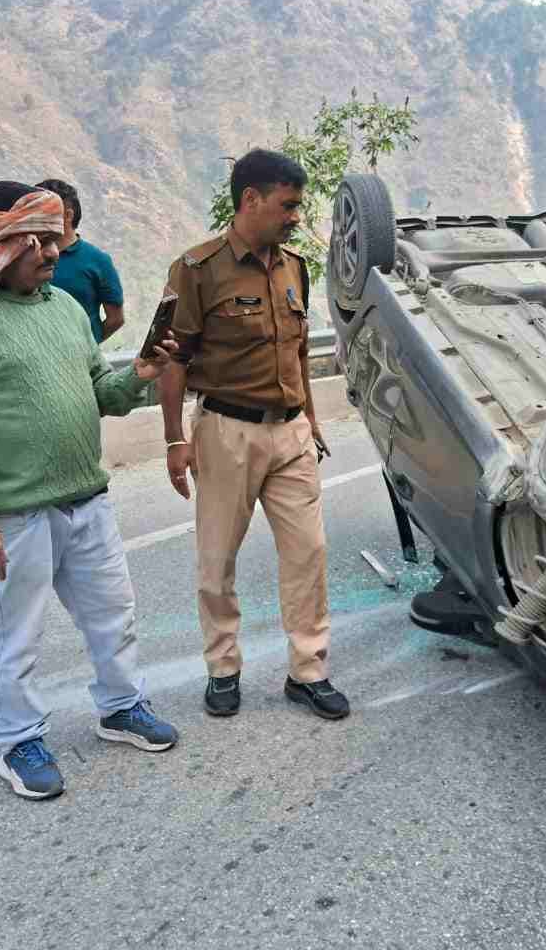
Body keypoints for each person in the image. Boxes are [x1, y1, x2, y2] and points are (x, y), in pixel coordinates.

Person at [0, 181, 179, 800]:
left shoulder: (65, 308)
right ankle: (18, 741)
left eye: (55, 237)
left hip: (85, 499)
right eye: (36, 239)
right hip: (14, 514)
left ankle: (121, 707)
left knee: (112, 614)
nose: (52, 251)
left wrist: (141, 374)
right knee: (16, 633)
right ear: (0, 244)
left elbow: (103, 393)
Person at [158, 149, 347, 722]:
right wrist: (174, 440)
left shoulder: (295, 266)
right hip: (225, 430)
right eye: (288, 206)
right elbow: (173, 359)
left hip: (289, 432)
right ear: (251, 200)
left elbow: (294, 350)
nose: (295, 216)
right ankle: (223, 668)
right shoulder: (196, 269)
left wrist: (310, 419)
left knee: (309, 553)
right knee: (217, 559)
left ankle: (308, 671)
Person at [33, 179, 124, 344]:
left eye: (44, 210)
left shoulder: (97, 260)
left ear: (68, 215)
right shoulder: (27, 256)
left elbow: (115, 319)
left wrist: (87, 347)